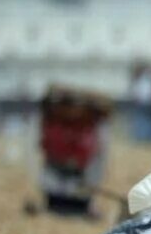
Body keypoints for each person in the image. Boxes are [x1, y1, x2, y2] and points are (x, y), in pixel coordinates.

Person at [35, 85, 112, 218]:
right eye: (69, 106)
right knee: (55, 186)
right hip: (57, 165)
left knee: (81, 188)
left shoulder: (91, 122)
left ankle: (80, 205)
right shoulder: (54, 119)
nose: (73, 111)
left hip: (82, 168)